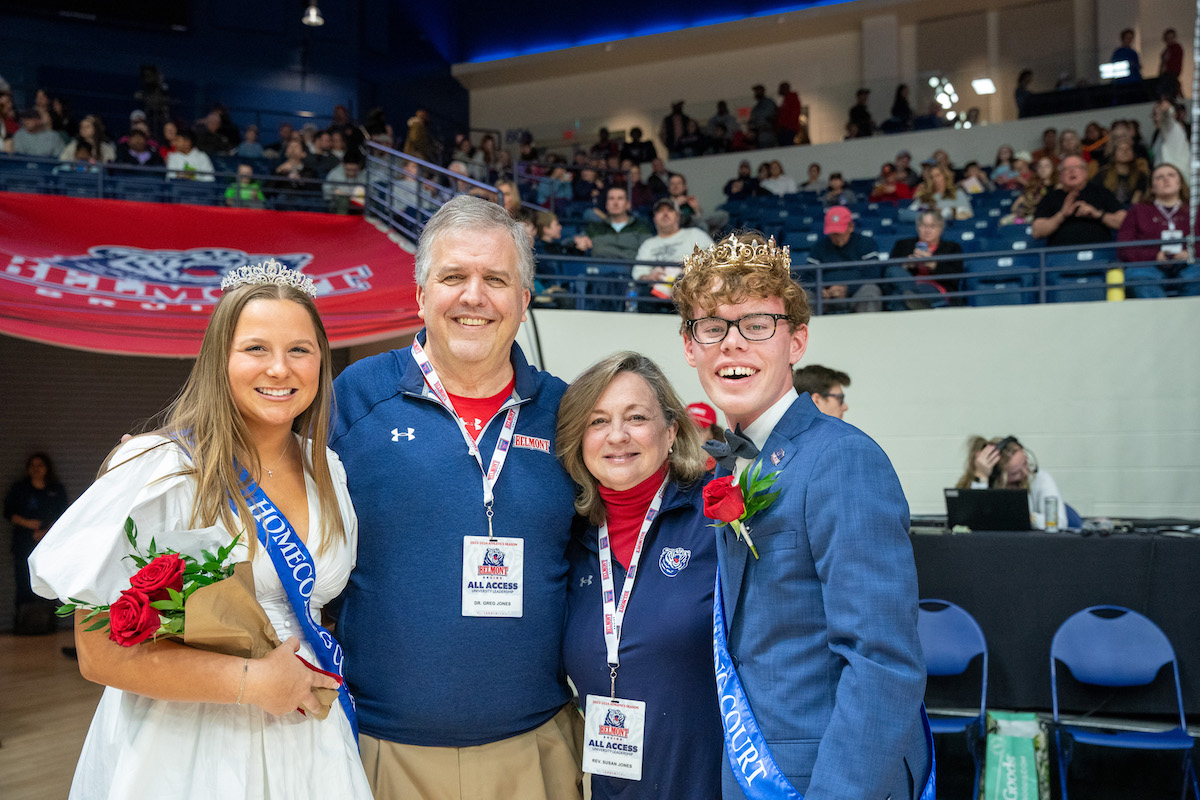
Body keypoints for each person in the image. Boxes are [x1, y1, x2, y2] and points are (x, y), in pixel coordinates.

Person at [27, 261, 371, 797]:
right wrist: (250, 683)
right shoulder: (157, 470)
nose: (280, 368)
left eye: (299, 350)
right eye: (256, 348)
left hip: (308, 741)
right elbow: (97, 654)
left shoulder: (329, 470)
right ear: (218, 360)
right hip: (186, 745)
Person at [329, 196, 584, 799]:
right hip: (381, 746)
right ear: (420, 296)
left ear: (524, 301)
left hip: (534, 747)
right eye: (453, 278)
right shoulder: (355, 397)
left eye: (496, 280)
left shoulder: (569, 412)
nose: (474, 296)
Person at [672, 234, 930, 799]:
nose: (731, 345)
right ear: (690, 348)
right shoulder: (727, 468)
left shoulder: (841, 460)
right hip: (745, 768)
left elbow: (882, 663)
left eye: (757, 324)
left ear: (797, 341)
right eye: (712, 327)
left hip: (826, 777)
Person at [557, 352, 721, 799]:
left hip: (711, 783)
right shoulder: (568, 538)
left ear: (671, 432)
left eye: (636, 417)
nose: (617, 436)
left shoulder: (718, 519)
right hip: (613, 785)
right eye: (597, 421)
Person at [1117, 163, 1200, 298]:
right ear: (1152, 187)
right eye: (1159, 177)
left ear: (1180, 182)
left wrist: (1192, 253)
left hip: (1191, 264)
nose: (1166, 179)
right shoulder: (1138, 211)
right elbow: (1124, 248)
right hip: (1149, 265)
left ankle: (1188, 318)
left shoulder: (1196, 210)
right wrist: (1154, 256)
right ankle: (1162, 318)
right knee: (1139, 277)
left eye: (1171, 175)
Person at [6, 453, 68, 633]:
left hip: (49, 546)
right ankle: (23, 625)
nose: (36, 468)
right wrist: (27, 524)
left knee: (48, 584)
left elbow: (64, 515)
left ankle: (48, 624)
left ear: (47, 468)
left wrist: (45, 532)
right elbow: (9, 513)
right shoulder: (20, 489)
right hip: (24, 545)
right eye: (32, 465)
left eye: (40, 465)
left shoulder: (56, 489)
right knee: (24, 584)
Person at [956, 436, 1067, 530]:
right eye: (1015, 473)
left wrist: (1025, 517)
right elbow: (972, 525)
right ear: (998, 476)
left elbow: (1060, 522)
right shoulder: (988, 481)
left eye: (1025, 463)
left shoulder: (1040, 479)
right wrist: (981, 476)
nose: (1025, 472)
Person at [1032, 154, 1125, 246]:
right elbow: (1037, 231)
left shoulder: (1102, 192)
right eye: (1066, 169)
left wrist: (1098, 214)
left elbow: (1124, 221)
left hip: (1100, 255)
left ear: (1085, 172)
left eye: (1077, 167)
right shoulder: (1050, 197)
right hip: (1061, 257)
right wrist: (1062, 215)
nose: (1072, 171)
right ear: (1060, 176)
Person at [807, 206, 883, 313]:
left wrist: (848, 288)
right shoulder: (818, 247)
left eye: (839, 233)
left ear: (851, 227)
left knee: (870, 291)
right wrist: (820, 290)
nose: (836, 237)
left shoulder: (866, 243)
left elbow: (873, 274)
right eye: (833, 233)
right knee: (804, 296)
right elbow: (808, 276)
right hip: (825, 297)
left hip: (856, 293)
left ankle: (868, 328)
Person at [886, 210, 964, 309]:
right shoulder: (903, 244)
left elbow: (955, 274)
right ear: (918, 227)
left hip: (936, 288)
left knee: (897, 298)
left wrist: (932, 265)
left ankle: (912, 297)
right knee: (895, 271)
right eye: (923, 226)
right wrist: (907, 265)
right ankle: (912, 296)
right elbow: (890, 269)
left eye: (932, 226)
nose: (927, 230)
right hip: (906, 284)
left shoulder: (952, 247)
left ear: (941, 228)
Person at [909, 165, 973, 221]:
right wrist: (927, 213)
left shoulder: (957, 193)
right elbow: (909, 212)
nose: (935, 179)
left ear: (945, 176)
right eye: (932, 177)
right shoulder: (925, 195)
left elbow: (967, 213)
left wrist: (943, 213)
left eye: (938, 175)